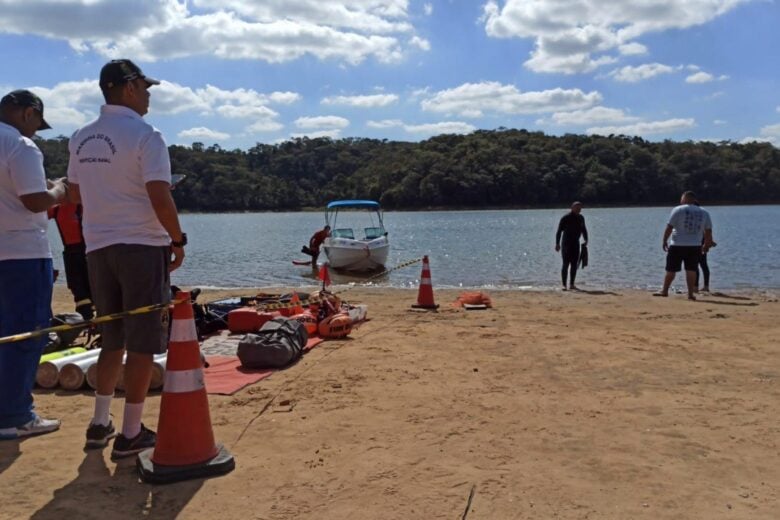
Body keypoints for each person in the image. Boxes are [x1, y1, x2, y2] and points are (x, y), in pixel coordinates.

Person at [67, 59, 186, 458]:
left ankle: (100, 423)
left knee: (112, 336)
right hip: (140, 245)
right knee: (141, 342)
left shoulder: (81, 138)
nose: (150, 95)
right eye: (146, 88)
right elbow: (159, 193)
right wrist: (177, 237)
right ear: (129, 88)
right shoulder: (146, 135)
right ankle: (132, 432)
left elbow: (76, 194)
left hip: (98, 248)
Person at [0, 89, 68, 440]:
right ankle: (15, 415)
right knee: (27, 332)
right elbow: (34, 200)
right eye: (36, 123)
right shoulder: (20, 146)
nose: (36, 132)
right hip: (21, 252)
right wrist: (58, 190)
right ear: (27, 113)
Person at [654, 191, 713, 300]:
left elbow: (669, 227)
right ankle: (690, 294)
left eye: (681, 199)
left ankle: (665, 290)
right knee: (691, 269)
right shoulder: (704, 212)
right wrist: (706, 244)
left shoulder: (678, 209)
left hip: (677, 245)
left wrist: (664, 240)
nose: (680, 201)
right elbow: (708, 231)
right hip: (695, 245)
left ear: (685, 199)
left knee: (671, 269)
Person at [48, 201, 94, 319]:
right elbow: (36, 216)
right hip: (70, 255)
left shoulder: (83, 204)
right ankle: (85, 317)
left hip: (87, 251)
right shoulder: (56, 209)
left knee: (93, 287)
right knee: (78, 290)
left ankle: (97, 319)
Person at [555, 201, 588, 290]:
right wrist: (557, 243)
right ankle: (564, 285)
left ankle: (572, 284)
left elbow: (584, 229)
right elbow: (559, 231)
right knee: (565, 264)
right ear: (572, 208)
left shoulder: (581, 218)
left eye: (580, 208)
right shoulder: (566, 218)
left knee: (574, 264)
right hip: (566, 244)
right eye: (577, 208)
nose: (579, 209)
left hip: (575, 244)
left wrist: (586, 239)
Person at [693, 201, 716, 292]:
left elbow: (706, 231)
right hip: (701, 242)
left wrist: (709, 242)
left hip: (698, 243)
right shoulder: (702, 216)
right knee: (703, 265)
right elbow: (708, 230)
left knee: (696, 265)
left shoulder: (695, 217)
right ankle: (705, 287)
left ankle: (696, 287)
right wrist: (710, 241)